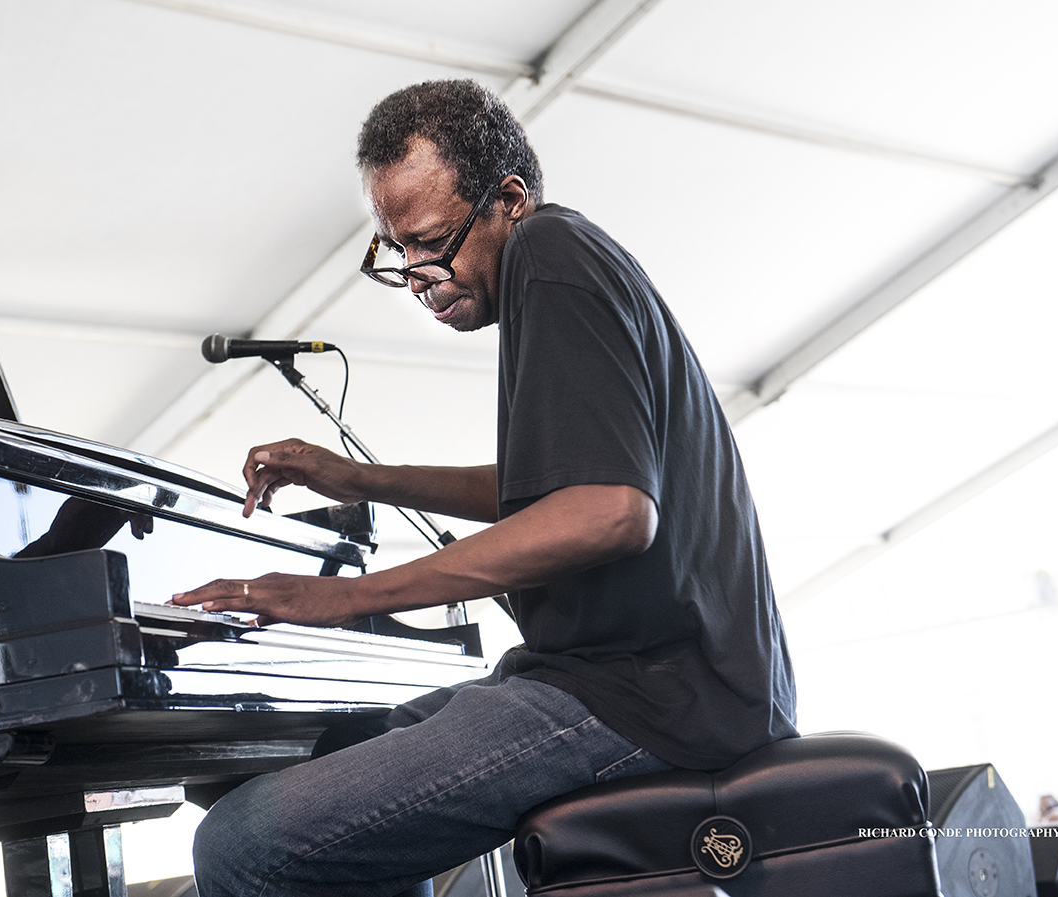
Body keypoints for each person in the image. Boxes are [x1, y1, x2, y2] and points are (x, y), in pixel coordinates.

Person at [173, 78, 797, 897]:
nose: (420, 273)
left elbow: (609, 511)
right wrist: (361, 477)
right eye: (397, 251)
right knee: (315, 760)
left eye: (433, 240)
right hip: (602, 676)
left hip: (653, 695)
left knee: (243, 844)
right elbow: (550, 485)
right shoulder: (563, 264)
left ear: (509, 198)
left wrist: (350, 597)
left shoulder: (550, 254)